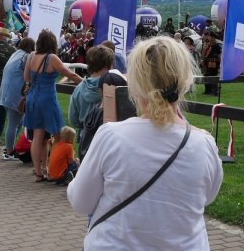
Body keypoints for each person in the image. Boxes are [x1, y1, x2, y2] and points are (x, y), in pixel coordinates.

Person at [67, 36, 223, 250]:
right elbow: (206, 198)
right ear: (185, 81)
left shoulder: (111, 136)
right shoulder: (204, 143)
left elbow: (81, 201)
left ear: (136, 82)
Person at [24, 29, 83, 182]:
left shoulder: (30, 56)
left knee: (38, 137)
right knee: (58, 135)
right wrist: (86, 84)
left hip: (32, 99)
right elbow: (71, 74)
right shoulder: (52, 58)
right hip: (48, 99)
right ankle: (53, 170)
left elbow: (26, 77)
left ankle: (39, 171)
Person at [69, 45, 115, 147]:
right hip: (107, 139)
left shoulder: (78, 89)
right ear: (107, 65)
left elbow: (73, 118)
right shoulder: (112, 88)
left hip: (86, 137)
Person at [0, 37, 34, 160]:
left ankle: (11, 147)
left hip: (7, 93)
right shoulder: (25, 57)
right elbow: (32, 72)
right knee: (13, 124)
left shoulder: (16, 54)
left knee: (19, 122)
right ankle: (9, 151)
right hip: (15, 94)